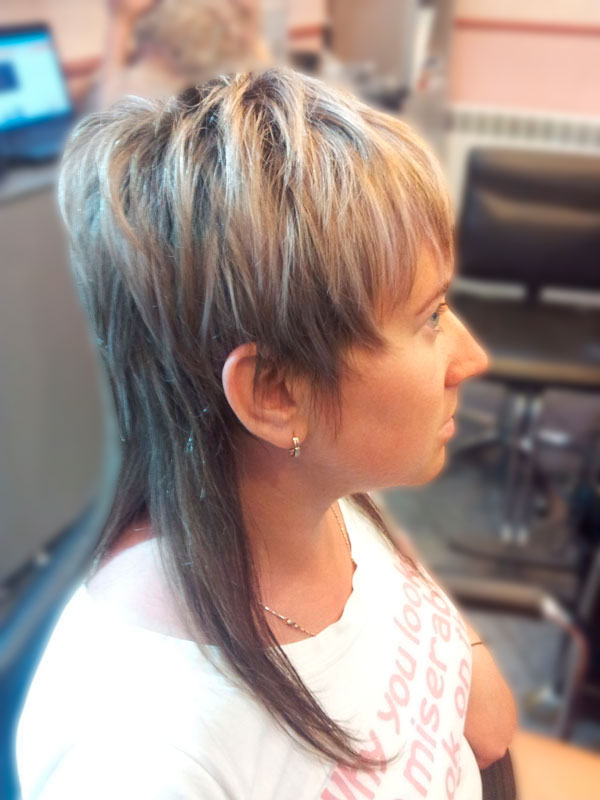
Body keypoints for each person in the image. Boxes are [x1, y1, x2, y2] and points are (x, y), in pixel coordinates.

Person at [17, 67, 516, 799]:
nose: (471, 357)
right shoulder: (140, 756)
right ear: (276, 393)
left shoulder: (325, 501)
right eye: (431, 316)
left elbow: (489, 723)